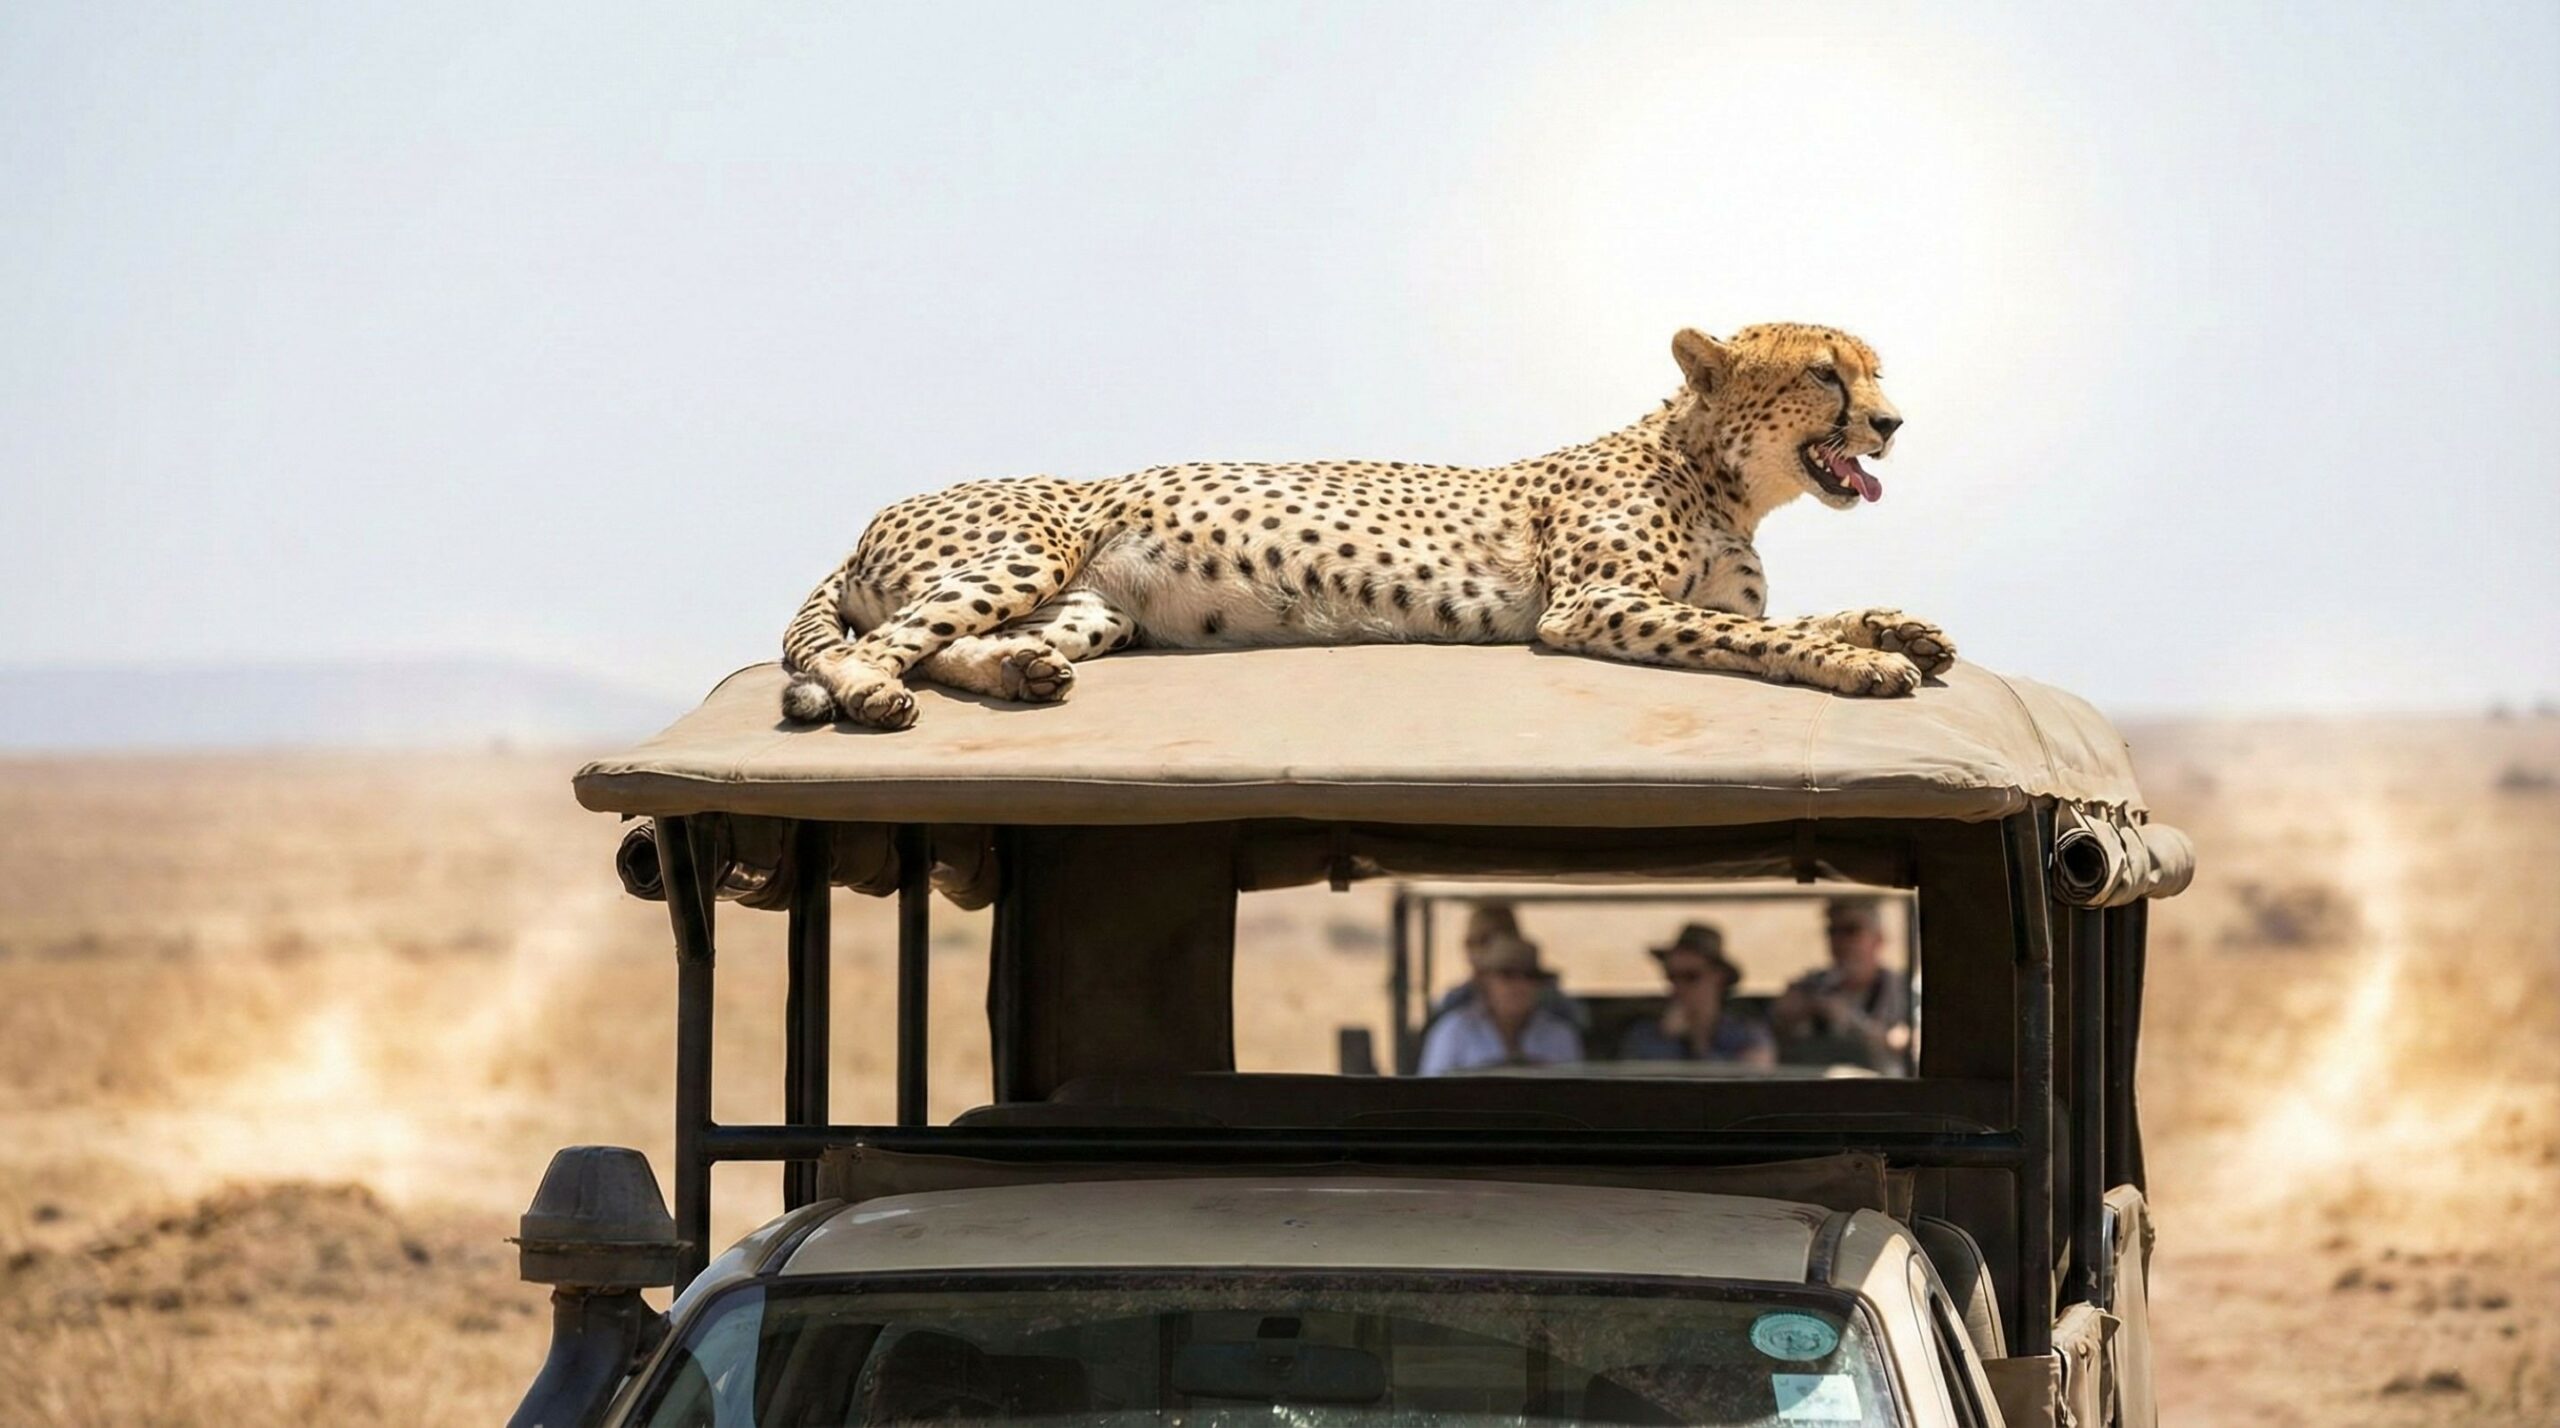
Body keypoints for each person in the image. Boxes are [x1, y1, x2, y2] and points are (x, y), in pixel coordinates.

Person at [1771, 896, 1912, 1073]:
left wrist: (1853, 1022)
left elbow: (1908, 1042)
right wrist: (1805, 1010)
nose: (1840, 941)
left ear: (1878, 939)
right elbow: (1780, 1025)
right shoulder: (1813, 985)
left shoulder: (1901, 989)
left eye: (1851, 930)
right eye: (1832, 931)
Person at [1416, 931, 1584, 1075]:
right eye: (1507, 975)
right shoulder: (1454, 1031)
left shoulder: (1560, 1035)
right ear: (1486, 981)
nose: (1520, 985)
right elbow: (1430, 1096)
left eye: (1530, 975)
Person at [1617, 922, 1776, 1066]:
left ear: (1719, 977)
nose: (1679, 987)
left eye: (1690, 977)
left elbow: (1748, 1084)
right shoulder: (1645, 1035)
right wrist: (1667, 1039)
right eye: (1672, 978)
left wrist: (1698, 1042)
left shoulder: (1746, 1033)